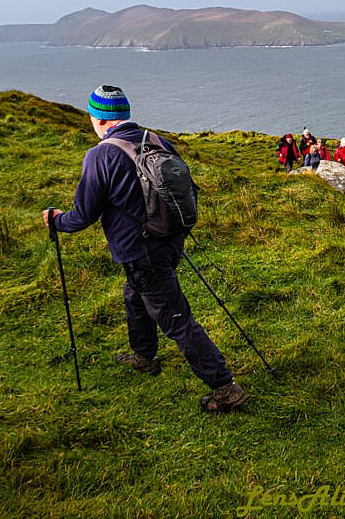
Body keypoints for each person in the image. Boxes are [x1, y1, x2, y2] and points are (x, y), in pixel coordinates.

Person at [41, 85, 249, 413]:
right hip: (170, 239)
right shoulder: (154, 139)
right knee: (134, 295)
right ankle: (143, 356)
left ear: (97, 118)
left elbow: (83, 215)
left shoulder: (100, 155)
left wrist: (56, 221)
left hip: (141, 250)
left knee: (175, 318)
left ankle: (225, 387)